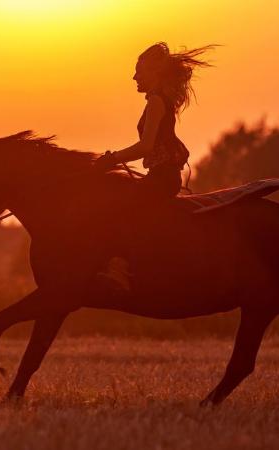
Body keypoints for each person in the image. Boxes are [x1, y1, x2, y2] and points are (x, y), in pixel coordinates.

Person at [93, 42, 216, 292]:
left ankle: (122, 269)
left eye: (139, 71)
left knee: (117, 208)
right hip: (161, 176)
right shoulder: (160, 101)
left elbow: (145, 146)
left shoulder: (156, 103)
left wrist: (112, 159)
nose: (134, 76)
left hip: (161, 179)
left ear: (155, 74)